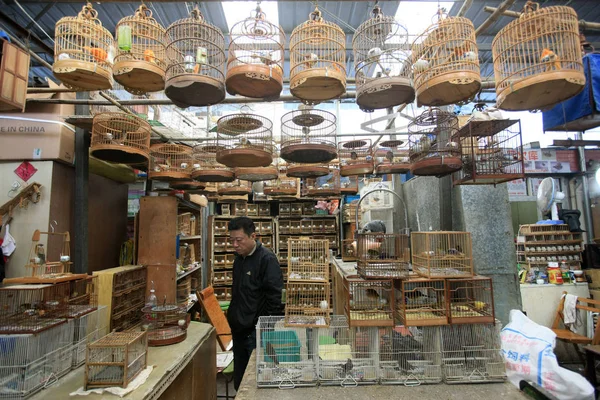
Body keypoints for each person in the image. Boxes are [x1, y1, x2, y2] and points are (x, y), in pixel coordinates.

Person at [226, 216, 283, 391]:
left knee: (256, 379)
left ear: (253, 236)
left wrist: (265, 328)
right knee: (241, 378)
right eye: (232, 240)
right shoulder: (239, 259)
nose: (235, 245)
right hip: (239, 329)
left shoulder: (266, 259)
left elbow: (276, 297)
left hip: (255, 331)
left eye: (239, 240)